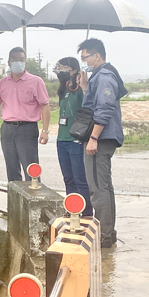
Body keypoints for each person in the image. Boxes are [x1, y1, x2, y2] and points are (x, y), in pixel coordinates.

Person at [78, 38, 126, 248]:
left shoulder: (105, 76)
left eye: (85, 57)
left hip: (101, 138)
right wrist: (85, 87)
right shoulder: (98, 76)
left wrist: (94, 137)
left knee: (98, 188)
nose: (84, 62)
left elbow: (105, 109)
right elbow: (93, 104)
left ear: (97, 55)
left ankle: (104, 237)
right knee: (104, 187)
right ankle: (108, 232)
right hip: (101, 137)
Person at [0, 47, 50, 182]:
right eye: (14, 59)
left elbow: (45, 105)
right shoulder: (2, 83)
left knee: (30, 168)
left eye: (21, 59)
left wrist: (45, 131)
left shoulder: (35, 81)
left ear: (26, 62)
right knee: (11, 168)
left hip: (27, 128)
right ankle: (15, 200)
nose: (18, 62)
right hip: (7, 129)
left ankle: (33, 199)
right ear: (8, 62)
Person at [54, 56, 93, 216]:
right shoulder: (63, 89)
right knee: (68, 179)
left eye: (63, 67)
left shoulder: (80, 88)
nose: (60, 71)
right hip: (62, 139)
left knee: (80, 179)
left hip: (75, 139)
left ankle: (86, 212)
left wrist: (84, 85)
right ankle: (73, 210)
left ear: (74, 69)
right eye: (59, 68)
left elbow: (89, 105)